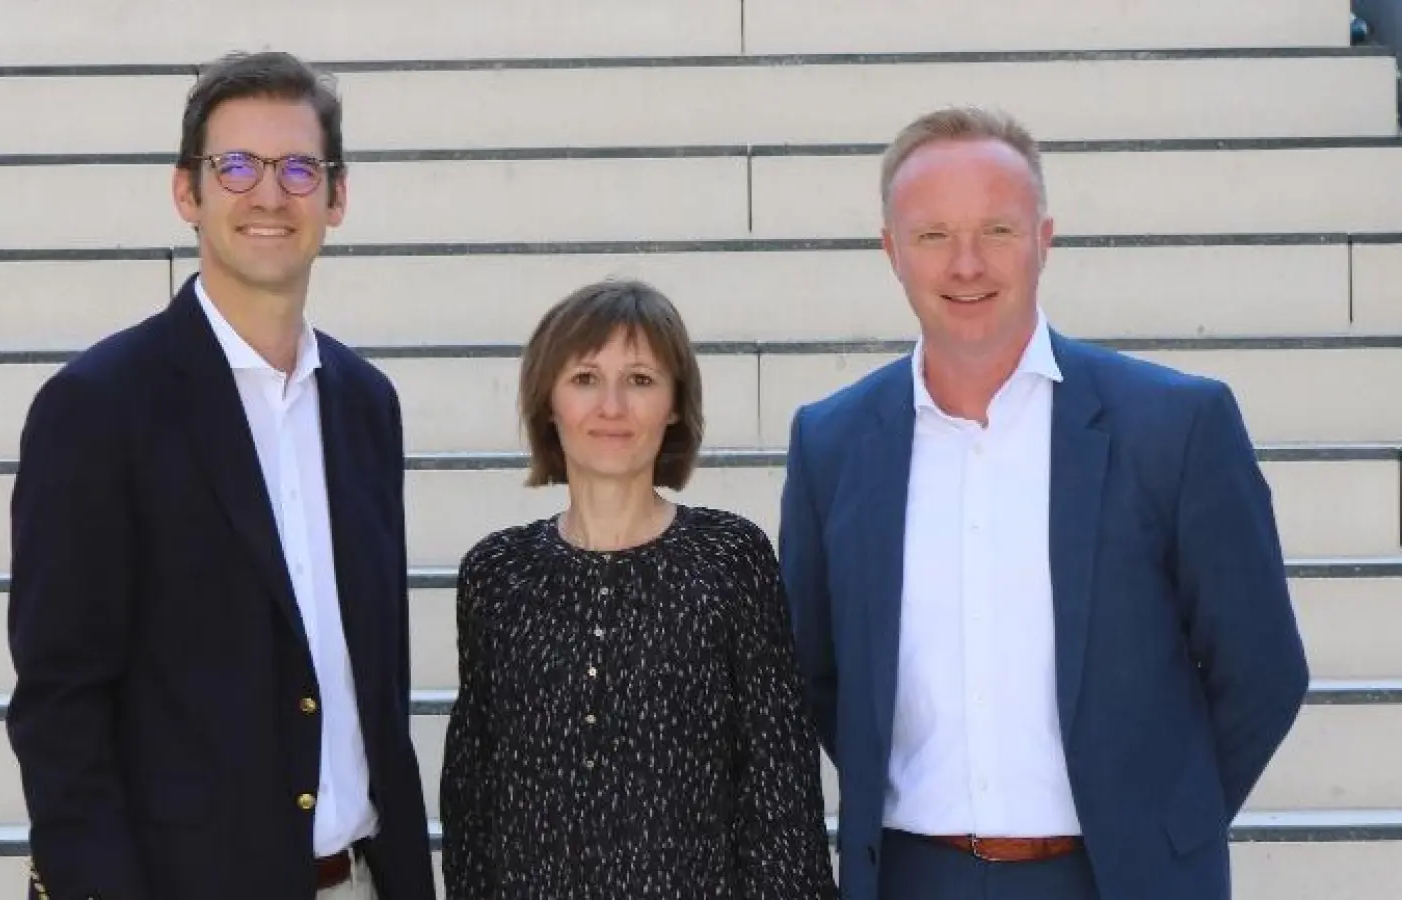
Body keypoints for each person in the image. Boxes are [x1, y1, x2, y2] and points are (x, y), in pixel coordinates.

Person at [778, 107, 1309, 900]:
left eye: (996, 229)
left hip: (1119, 878)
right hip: (913, 876)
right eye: (932, 236)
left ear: (1043, 239)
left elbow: (1262, 668)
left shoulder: (1175, 425)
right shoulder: (832, 442)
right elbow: (816, 675)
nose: (967, 264)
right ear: (891, 251)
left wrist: (1163, 825)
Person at [6, 51, 434, 900]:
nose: (268, 194)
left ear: (337, 197)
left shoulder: (366, 406)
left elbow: (378, 690)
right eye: (234, 165)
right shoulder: (97, 408)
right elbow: (60, 709)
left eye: (299, 167)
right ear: (186, 193)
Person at [439, 280, 837, 899]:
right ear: (549, 401)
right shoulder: (498, 575)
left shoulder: (731, 561)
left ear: (675, 404)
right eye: (585, 379)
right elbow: (472, 807)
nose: (613, 406)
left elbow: (781, 795)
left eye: (642, 380)